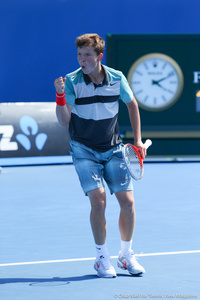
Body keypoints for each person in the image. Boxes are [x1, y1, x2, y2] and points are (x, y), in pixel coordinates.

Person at [54, 33, 146, 278]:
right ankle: (101, 258)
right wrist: (60, 96)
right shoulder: (72, 81)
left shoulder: (116, 78)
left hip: (114, 147)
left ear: (99, 56)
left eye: (87, 55)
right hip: (84, 149)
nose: (82, 60)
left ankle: (125, 256)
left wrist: (137, 140)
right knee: (99, 200)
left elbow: (132, 104)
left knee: (127, 203)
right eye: (79, 55)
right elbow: (64, 121)